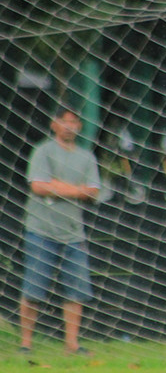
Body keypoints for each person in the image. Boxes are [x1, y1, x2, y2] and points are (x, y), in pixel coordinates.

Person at [19, 106, 101, 356]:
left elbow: (93, 191)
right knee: (34, 289)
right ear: (54, 124)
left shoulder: (86, 157)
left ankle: (72, 345)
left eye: (74, 122)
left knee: (76, 291)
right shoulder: (43, 151)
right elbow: (38, 187)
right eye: (65, 122)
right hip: (40, 230)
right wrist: (75, 190)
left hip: (73, 232)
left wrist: (58, 185)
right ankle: (25, 344)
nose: (70, 126)